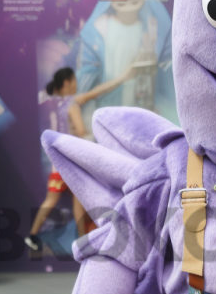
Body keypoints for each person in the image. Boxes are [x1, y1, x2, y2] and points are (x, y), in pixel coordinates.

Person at [26, 67, 135, 251]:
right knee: (75, 202)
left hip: (57, 160)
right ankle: (82, 243)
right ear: (67, 82)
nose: (77, 85)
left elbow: (92, 94)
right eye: (74, 80)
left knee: (62, 200)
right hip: (71, 160)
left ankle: (35, 236)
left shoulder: (53, 104)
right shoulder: (71, 104)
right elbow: (81, 130)